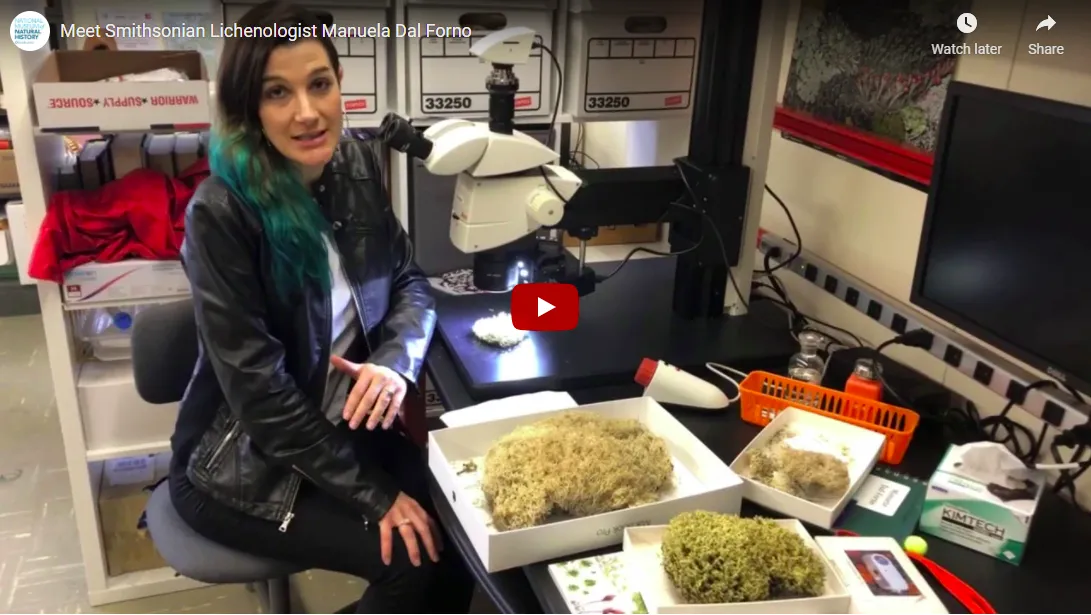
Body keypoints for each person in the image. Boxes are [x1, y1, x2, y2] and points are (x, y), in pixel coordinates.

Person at [167, 2, 474, 612]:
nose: (306, 112)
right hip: (240, 462)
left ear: (340, 85)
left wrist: (395, 362)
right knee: (410, 563)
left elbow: (408, 279)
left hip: (340, 429)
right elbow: (260, 396)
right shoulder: (221, 212)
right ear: (250, 108)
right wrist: (377, 497)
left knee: (462, 533)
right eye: (277, 92)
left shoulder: (354, 163)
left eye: (319, 84)